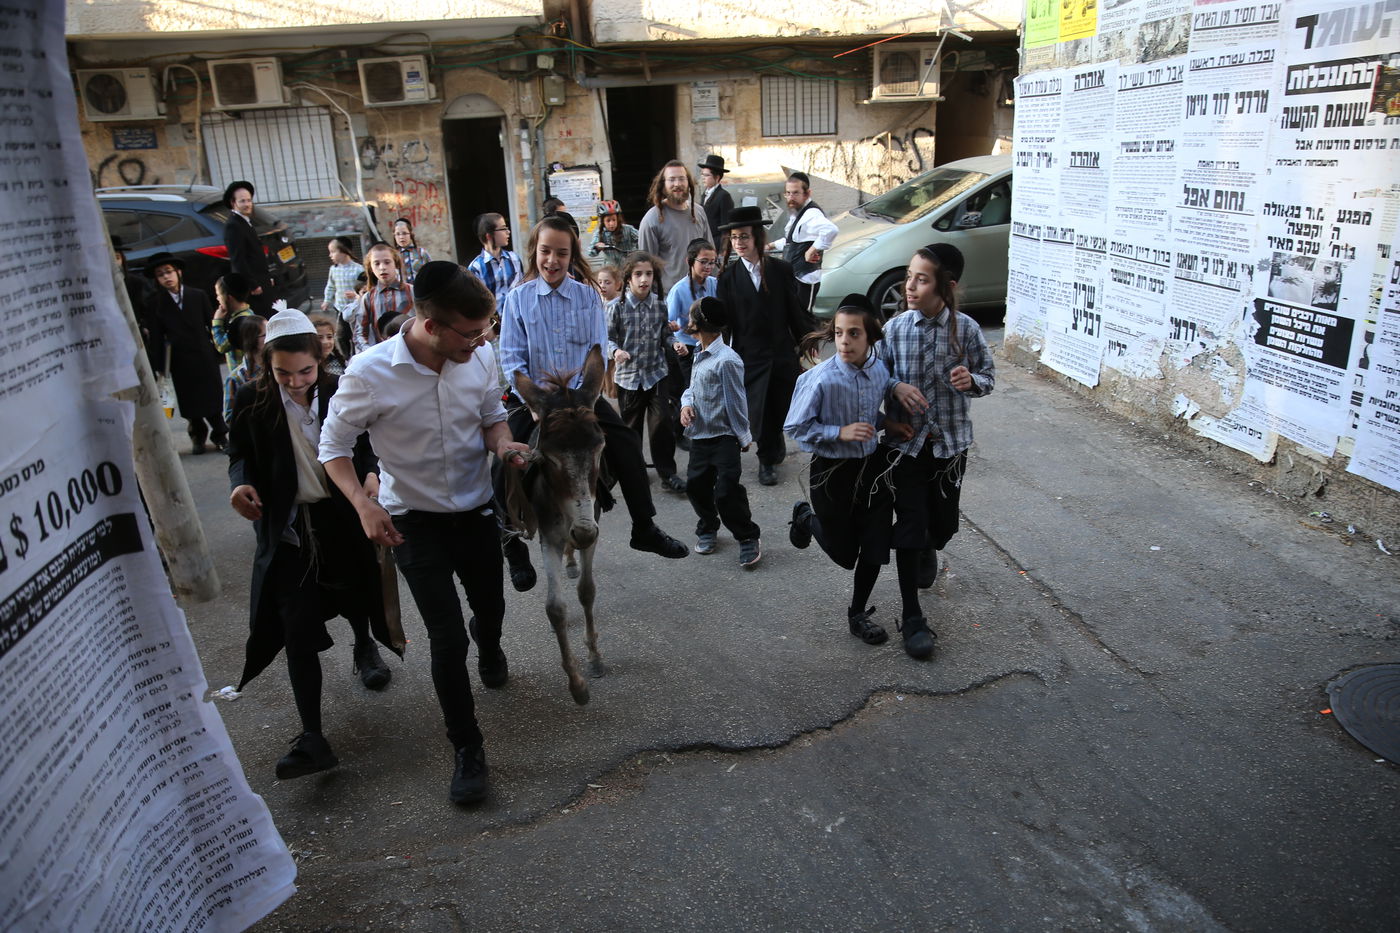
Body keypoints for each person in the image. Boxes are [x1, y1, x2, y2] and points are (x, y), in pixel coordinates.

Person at [320, 261, 530, 805]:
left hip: (477, 511)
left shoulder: (479, 356)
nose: (482, 343)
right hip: (412, 521)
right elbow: (333, 449)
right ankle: (467, 748)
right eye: (470, 333)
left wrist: (505, 446)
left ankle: (492, 644)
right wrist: (365, 507)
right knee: (446, 637)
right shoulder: (368, 373)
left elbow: (492, 417)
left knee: (490, 610)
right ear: (431, 325)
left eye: (487, 331)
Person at [228, 308, 397, 780]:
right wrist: (239, 486)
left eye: (304, 370)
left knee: (356, 591)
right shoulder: (252, 400)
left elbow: (363, 441)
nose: (295, 381)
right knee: (294, 628)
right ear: (268, 364)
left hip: (341, 515)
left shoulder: (339, 389)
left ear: (319, 359)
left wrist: (370, 475)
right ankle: (312, 736)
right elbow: (238, 453)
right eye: (283, 372)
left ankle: (365, 647)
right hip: (288, 530)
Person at [498, 215, 690, 567]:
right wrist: (535, 403)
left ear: (572, 255)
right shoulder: (518, 298)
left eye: (561, 252)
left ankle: (644, 526)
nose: (552, 260)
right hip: (533, 399)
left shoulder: (587, 296)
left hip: (578, 398)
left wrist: (584, 398)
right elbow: (511, 357)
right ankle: (510, 539)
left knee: (627, 443)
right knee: (502, 460)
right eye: (545, 251)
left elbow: (596, 348)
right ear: (534, 252)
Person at [879, 243, 995, 660]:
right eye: (909, 276)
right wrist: (894, 387)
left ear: (945, 288)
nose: (910, 286)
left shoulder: (966, 330)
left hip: (949, 447)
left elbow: (988, 375)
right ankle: (912, 617)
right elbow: (878, 374)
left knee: (941, 526)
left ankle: (931, 541)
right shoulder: (894, 330)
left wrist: (972, 381)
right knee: (909, 525)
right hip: (905, 449)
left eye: (921, 279)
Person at [785, 294, 905, 648]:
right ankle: (806, 517)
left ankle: (857, 614)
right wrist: (840, 432)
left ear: (869, 338)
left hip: (873, 470)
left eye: (854, 334)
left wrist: (890, 426)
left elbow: (871, 413)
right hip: (832, 472)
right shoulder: (822, 378)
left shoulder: (880, 371)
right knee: (843, 553)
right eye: (839, 333)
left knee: (874, 547)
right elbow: (795, 427)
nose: (844, 341)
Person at [715, 205, 814, 486]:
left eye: (744, 236)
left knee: (782, 404)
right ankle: (766, 460)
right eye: (734, 237)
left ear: (757, 237)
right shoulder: (729, 278)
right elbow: (726, 325)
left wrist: (807, 340)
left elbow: (794, 310)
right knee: (760, 409)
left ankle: (775, 442)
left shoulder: (780, 269)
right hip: (751, 356)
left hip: (781, 352)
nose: (739, 242)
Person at [679, 296, 761, 568]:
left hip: (724, 438)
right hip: (700, 436)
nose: (687, 321)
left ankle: (747, 536)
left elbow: (736, 401)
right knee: (696, 487)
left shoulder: (727, 360)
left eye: (691, 317)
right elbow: (691, 387)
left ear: (699, 324)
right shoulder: (699, 353)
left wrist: (743, 436)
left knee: (726, 492)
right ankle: (708, 525)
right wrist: (686, 405)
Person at [608, 251, 684, 492]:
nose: (644, 279)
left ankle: (667, 474)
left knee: (662, 423)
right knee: (630, 429)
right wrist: (616, 352)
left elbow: (665, 333)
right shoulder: (616, 308)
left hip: (656, 373)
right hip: (628, 378)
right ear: (628, 278)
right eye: (638, 274)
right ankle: (633, 471)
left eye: (648, 274)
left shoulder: (660, 305)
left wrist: (674, 343)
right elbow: (607, 338)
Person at [143, 252, 227, 454]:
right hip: (179, 359)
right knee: (190, 404)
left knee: (213, 398)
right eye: (161, 274)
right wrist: (160, 367)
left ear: (178, 272)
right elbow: (155, 336)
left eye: (169, 272)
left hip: (203, 354)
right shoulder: (154, 303)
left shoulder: (196, 295)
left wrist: (219, 350)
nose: (166, 277)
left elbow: (211, 323)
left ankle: (220, 435)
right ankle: (198, 437)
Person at [665, 238, 718, 448]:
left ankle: (704, 428)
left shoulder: (714, 284)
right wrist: (677, 335)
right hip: (687, 348)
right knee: (688, 390)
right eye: (704, 261)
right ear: (690, 261)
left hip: (710, 346)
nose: (708, 267)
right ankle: (678, 432)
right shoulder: (679, 290)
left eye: (712, 262)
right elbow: (668, 323)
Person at [638, 160, 712, 296]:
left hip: (702, 293)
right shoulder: (652, 219)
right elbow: (646, 266)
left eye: (681, 179)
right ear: (663, 185)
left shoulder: (699, 212)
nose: (677, 184)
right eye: (671, 180)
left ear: (688, 182)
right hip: (670, 297)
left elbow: (710, 254)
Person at [769, 171, 839, 313]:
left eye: (795, 193)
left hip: (806, 277)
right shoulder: (799, 212)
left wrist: (812, 249)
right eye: (787, 193)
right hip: (794, 276)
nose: (790, 197)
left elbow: (831, 230)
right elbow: (793, 240)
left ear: (807, 193)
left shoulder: (812, 213)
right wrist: (770, 245)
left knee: (804, 318)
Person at [344, 242, 414, 355]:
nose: (382, 267)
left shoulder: (412, 291)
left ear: (395, 264)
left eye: (387, 262)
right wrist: (371, 353)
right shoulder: (368, 298)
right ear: (370, 268)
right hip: (383, 355)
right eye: (376, 263)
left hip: (412, 352)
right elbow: (360, 333)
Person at [222, 180, 273, 316]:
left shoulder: (244, 222)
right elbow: (238, 259)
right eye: (242, 201)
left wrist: (267, 278)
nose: (247, 204)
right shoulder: (233, 226)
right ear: (233, 203)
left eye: (249, 200)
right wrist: (253, 285)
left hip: (261, 281)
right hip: (252, 287)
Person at [467, 212, 523, 305]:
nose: (508, 232)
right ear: (489, 235)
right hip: (492, 318)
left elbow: (522, 289)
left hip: (516, 317)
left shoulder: (514, 259)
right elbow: (476, 303)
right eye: (503, 228)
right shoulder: (476, 268)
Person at [222, 314, 265, 425]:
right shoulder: (236, 378)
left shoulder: (277, 367)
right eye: (265, 334)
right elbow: (230, 418)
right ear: (251, 340)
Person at [212, 272, 257, 370]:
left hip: (244, 375)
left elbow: (221, 346)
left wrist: (217, 321)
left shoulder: (239, 322)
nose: (217, 298)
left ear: (229, 297)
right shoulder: (248, 313)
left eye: (218, 295)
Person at [321, 237, 361, 318]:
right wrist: (326, 301)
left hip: (356, 309)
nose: (330, 255)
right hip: (339, 309)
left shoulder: (359, 270)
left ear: (344, 251)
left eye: (333, 252)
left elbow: (366, 289)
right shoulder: (333, 269)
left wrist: (356, 295)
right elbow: (330, 286)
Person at [697, 154, 734, 235]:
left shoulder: (724, 196)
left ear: (717, 177)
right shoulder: (704, 194)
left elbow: (726, 226)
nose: (703, 178)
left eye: (706, 175)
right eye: (702, 174)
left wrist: (723, 246)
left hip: (717, 243)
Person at [393, 218, 432, 284]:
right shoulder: (393, 255)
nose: (401, 237)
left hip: (420, 290)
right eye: (398, 234)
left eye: (404, 233)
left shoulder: (421, 252)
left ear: (410, 234)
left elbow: (431, 272)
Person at [309, 311, 347, 377]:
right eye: (319, 337)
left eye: (329, 337)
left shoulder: (338, 363)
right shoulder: (306, 364)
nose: (325, 342)